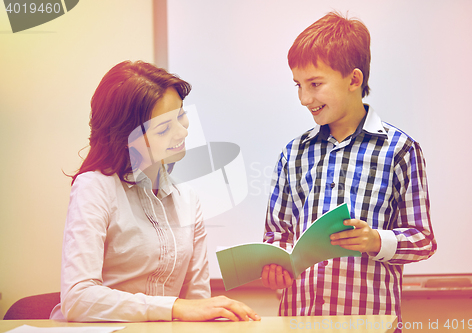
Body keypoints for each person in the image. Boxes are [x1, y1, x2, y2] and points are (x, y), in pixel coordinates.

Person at [260, 11, 436, 330]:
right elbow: (276, 234)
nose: (304, 98)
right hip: (298, 323)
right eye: (298, 85)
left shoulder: (400, 150)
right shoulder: (292, 153)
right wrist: (274, 262)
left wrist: (375, 240)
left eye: (315, 84)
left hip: (370, 324)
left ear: (354, 80)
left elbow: (423, 239)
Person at [50, 60, 260, 322]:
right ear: (125, 137)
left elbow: (197, 304)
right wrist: (173, 308)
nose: (182, 132)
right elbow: (78, 299)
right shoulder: (95, 187)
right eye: (164, 128)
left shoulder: (188, 200)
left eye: (181, 116)